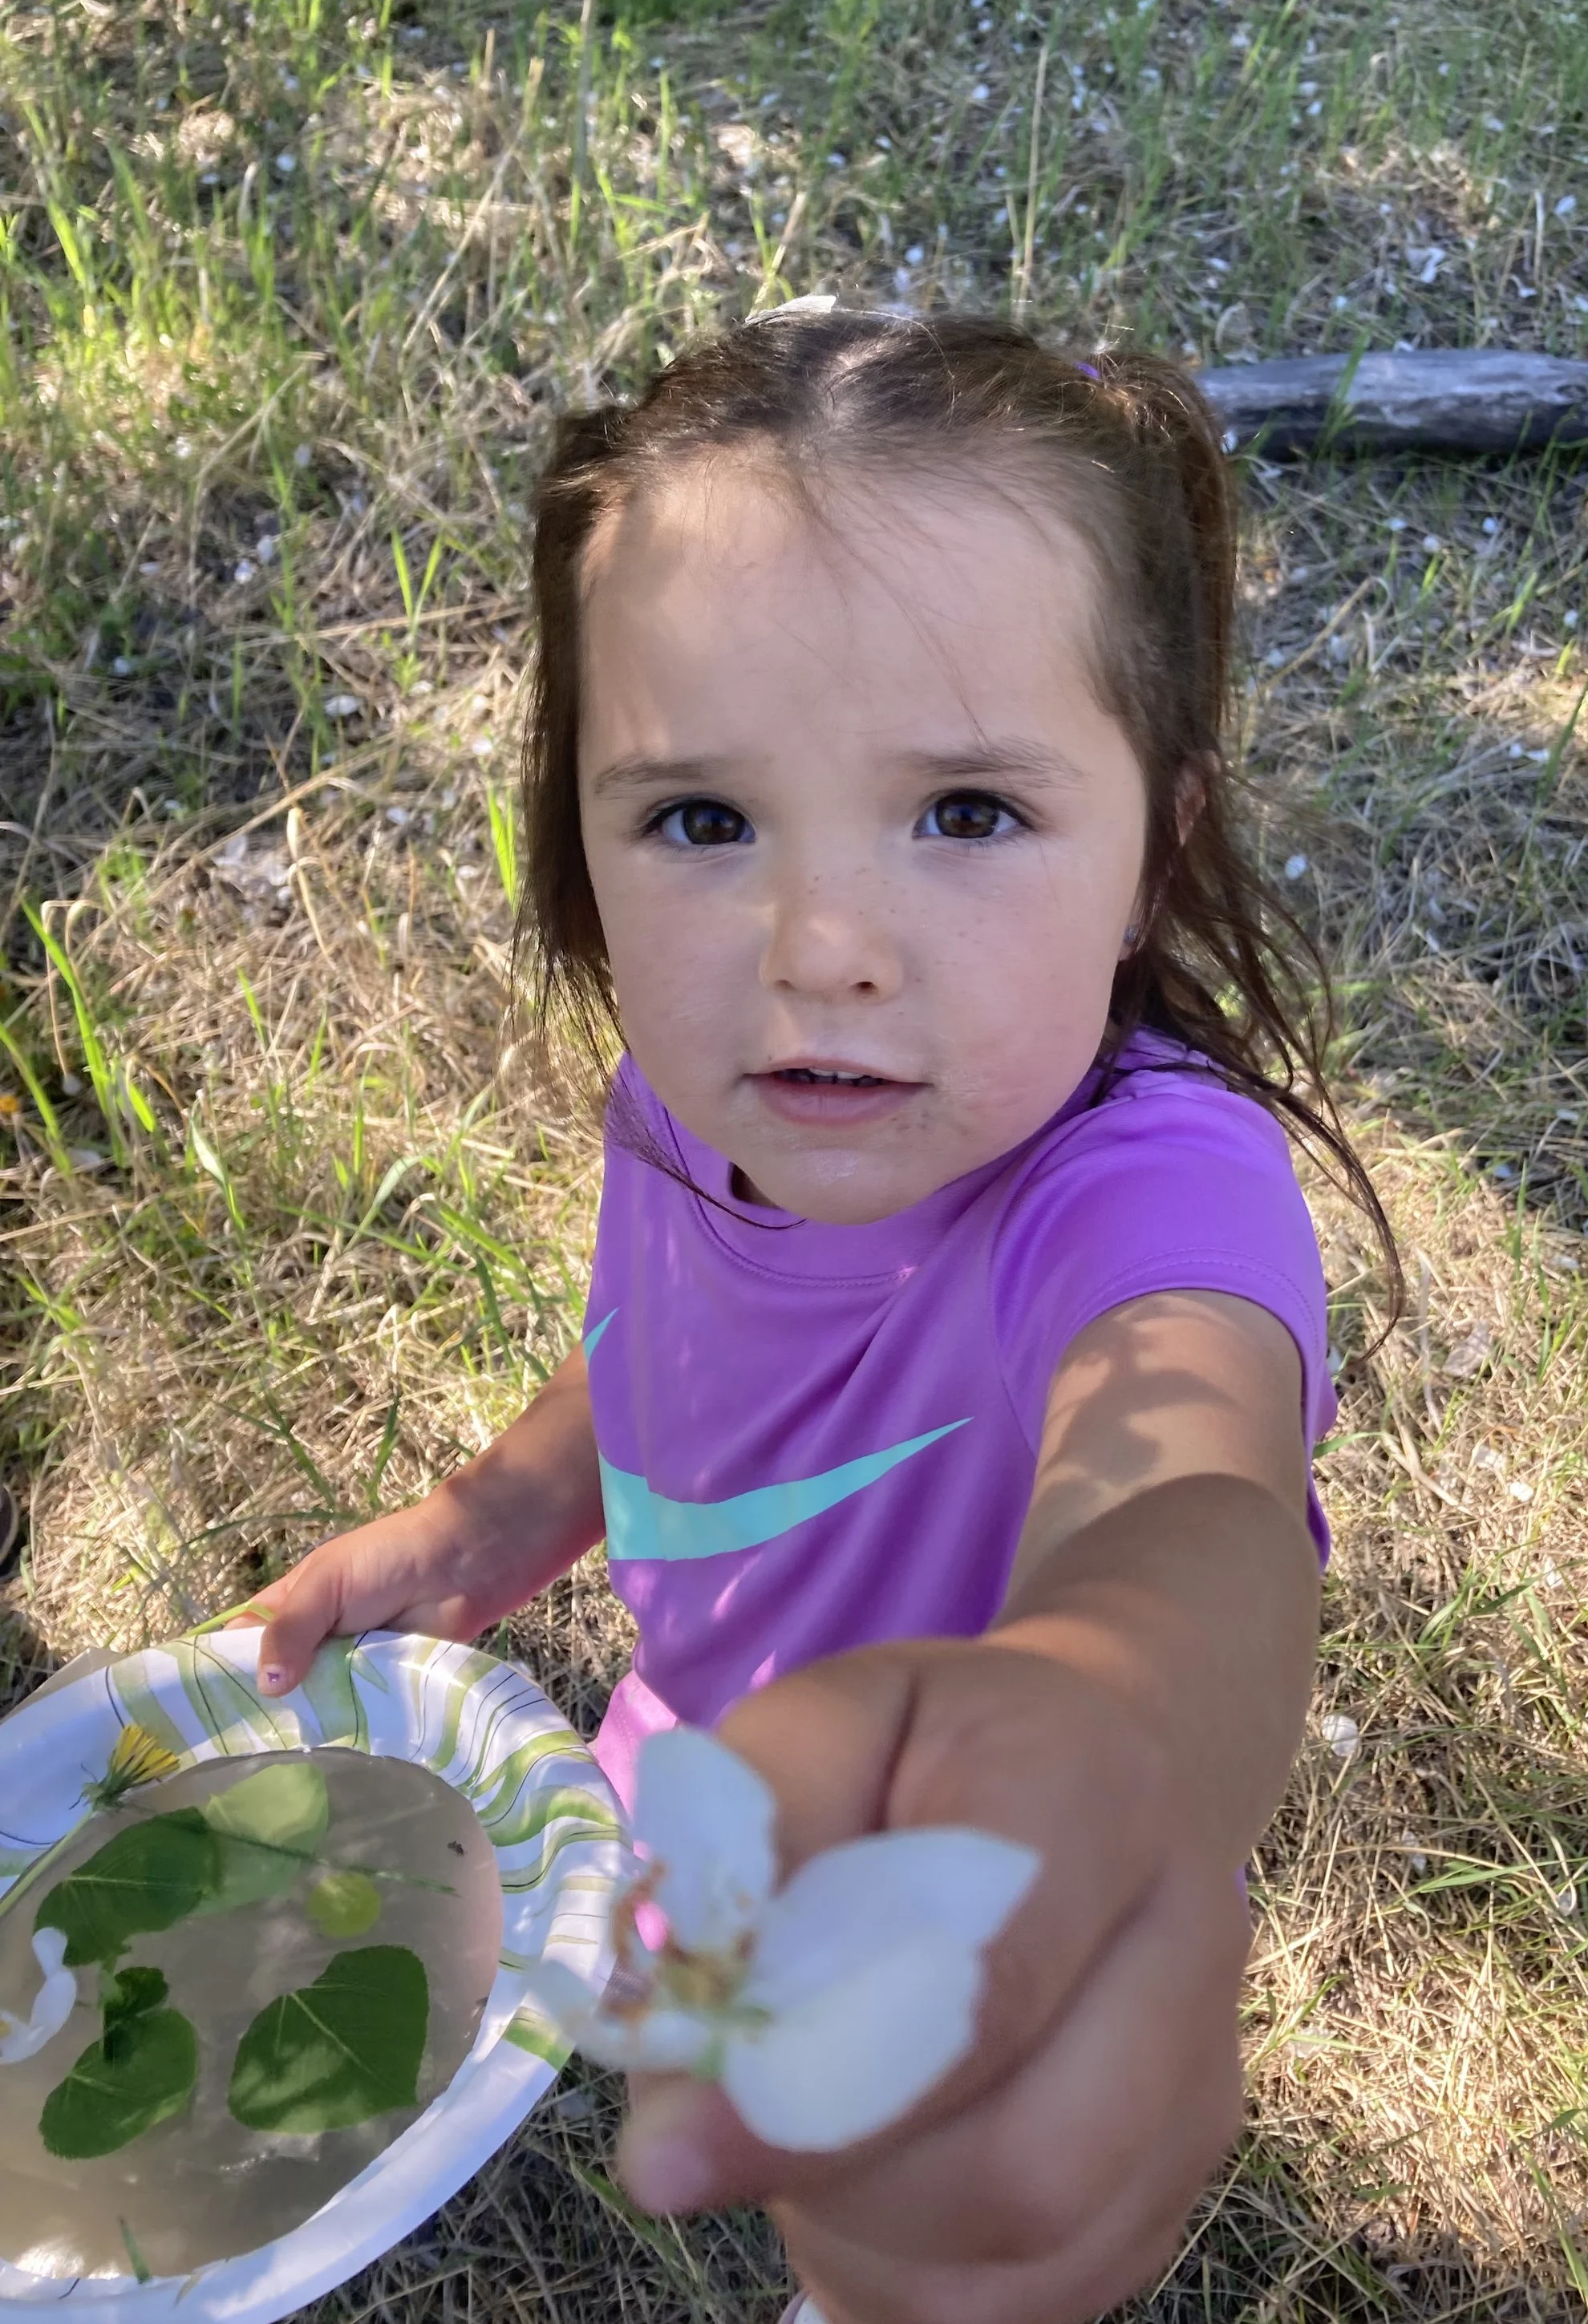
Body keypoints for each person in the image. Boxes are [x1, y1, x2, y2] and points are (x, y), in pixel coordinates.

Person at [249, 305, 1397, 2324]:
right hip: (693, 1762)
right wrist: (497, 1518)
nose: (821, 952)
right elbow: (668, 1354)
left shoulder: (1145, 1199)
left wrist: (1119, 1741)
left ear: (1159, 852)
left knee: (876, 2233)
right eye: (700, 821)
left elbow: (1185, 1485)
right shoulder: (711, 1098)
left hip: (956, 1887)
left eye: (964, 810)